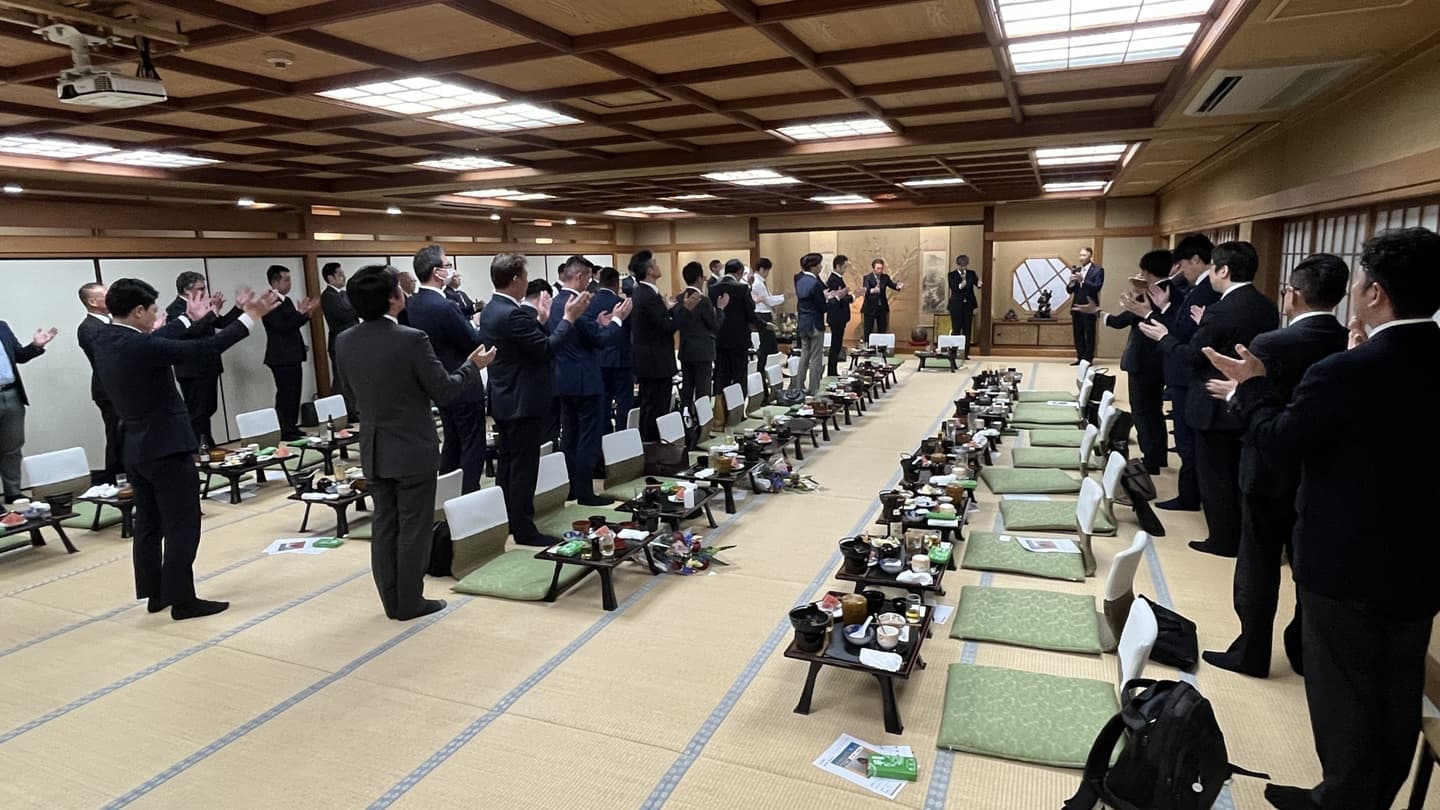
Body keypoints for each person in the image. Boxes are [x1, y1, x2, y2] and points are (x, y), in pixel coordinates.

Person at [1205, 227, 1440, 810]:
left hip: (1344, 555)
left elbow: (1281, 440)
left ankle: (1339, 798)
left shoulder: (1347, 370)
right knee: (1397, 689)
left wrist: (1252, 389)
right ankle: (1369, 795)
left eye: (1360, 280)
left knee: (1344, 695)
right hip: (1423, 559)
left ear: (1375, 293)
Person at [1200, 254, 1350, 679]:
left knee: (1259, 562)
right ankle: (1303, 650)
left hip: (1268, 466)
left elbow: (1259, 407)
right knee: (1305, 564)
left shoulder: (1271, 344)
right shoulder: (1349, 343)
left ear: (1294, 295)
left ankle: (1251, 652)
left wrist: (1238, 394)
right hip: (1319, 471)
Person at [94, 279, 278, 619]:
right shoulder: (139, 346)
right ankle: (183, 600)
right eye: (153, 310)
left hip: (135, 445)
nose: (156, 316)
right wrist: (250, 317)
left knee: (149, 523)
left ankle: (155, 593)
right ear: (138, 311)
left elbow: (157, 341)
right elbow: (205, 349)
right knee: (182, 523)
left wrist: (187, 319)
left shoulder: (105, 338)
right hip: (165, 445)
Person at [336, 266, 494, 620]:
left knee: (384, 526)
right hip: (412, 447)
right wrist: (473, 367)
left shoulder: (344, 340)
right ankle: (409, 602)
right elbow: (445, 390)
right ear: (393, 299)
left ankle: (391, 600)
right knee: (414, 527)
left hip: (373, 447)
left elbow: (349, 394)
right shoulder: (411, 339)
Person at [1140, 241, 1278, 558]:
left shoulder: (1221, 310)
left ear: (1223, 270)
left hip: (1214, 399)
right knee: (1237, 471)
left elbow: (1194, 355)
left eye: (1214, 268)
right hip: (1248, 397)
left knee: (1216, 475)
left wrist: (1164, 338)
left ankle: (1223, 539)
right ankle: (1242, 536)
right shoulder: (1265, 306)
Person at [478, 254, 588, 546]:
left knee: (508, 465)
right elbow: (546, 350)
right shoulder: (512, 314)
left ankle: (507, 519)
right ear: (516, 280)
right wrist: (568, 319)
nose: (526, 282)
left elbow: (525, 346)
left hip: (505, 398)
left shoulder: (491, 309)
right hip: (522, 401)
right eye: (525, 277)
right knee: (523, 468)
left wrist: (541, 321)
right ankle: (524, 529)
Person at [1074, 250, 1172, 474]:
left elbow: (1119, 321)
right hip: (1161, 360)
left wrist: (1096, 311)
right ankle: (1159, 456)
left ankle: (1151, 460)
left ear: (1146, 272)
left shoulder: (1151, 294)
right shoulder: (1173, 291)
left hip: (1143, 361)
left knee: (1142, 411)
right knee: (1154, 410)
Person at [406, 244, 488, 494]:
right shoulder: (444, 306)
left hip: (437, 381)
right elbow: (473, 341)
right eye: (448, 265)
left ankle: (446, 494)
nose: (451, 270)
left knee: (452, 440)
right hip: (463, 380)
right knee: (472, 444)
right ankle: (469, 495)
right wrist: (481, 325)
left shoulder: (413, 303)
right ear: (437, 272)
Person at [552, 256, 628, 503]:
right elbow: (600, 340)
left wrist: (598, 324)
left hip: (564, 379)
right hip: (585, 380)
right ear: (579, 276)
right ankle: (585, 491)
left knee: (569, 436)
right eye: (588, 277)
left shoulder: (555, 302)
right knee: (587, 438)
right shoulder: (576, 303)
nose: (590, 282)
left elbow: (580, 334)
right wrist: (617, 320)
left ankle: (571, 488)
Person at [1148, 234, 1213, 511]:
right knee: (1187, 440)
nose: (1181, 271)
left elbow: (1184, 331)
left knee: (1188, 441)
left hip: (1187, 373)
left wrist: (1162, 326)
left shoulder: (1205, 290)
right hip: (1184, 373)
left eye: (1183, 264)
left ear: (1196, 260)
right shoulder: (1198, 288)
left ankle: (1189, 497)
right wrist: (1164, 307)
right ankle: (1190, 494)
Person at [629, 250, 700, 441]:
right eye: (655, 263)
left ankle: (650, 445)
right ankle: (651, 447)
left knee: (651, 407)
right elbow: (667, 327)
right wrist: (684, 310)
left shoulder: (644, 292)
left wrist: (671, 309)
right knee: (655, 408)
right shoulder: (648, 295)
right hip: (655, 362)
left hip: (650, 361)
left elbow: (660, 321)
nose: (658, 266)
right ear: (649, 270)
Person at [166, 271, 241, 448]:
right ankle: (199, 447)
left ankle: (206, 443)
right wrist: (212, 311)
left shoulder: (202, 305)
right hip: (191, 369)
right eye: (200, 288)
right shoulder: (175, 309)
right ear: (187, 290)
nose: (205, 291)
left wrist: (238, 307)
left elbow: (221, 323)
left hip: (209, 364)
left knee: (209, 408)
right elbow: (192, 331)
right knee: (197, 412)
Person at [0, 318, 56, 503]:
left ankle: (13, 493)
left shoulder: (2, 326)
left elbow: (19, 355)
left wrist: (36, 346)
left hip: (11, 393)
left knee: (12, 447)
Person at [261, 265, 317, 442]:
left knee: (294, 393)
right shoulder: (269, 301)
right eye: (286, 279)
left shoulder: (286, 300)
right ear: (274, 282)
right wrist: (301, 314)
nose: (289, 283)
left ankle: (291, 426)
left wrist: (305, 315)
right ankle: (284, 430)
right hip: (281, 356)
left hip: (292, 354)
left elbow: (292, 323)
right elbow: (282, 327)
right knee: (285, 394)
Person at [76, 282, 121, 484]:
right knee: (116, 434)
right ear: (93, 302)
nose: (112, 298)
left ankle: (132, 474)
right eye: (107, 295)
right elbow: (106, 353)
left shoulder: (112, 322)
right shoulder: (88, 327)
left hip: (122, 386)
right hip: (107, 389)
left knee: (129, 433)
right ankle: (115, 479)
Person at [591, 268, 633, 433]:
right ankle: (622, 433)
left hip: (599, 359)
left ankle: (605, 435)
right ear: (617, 284)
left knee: (604, 399)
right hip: (621, 358)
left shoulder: (590, 303)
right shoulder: (623, 304)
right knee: (624, 400)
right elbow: (631, 330)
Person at [676, 262, 722, 406]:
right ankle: (702, 418)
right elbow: (714, 325)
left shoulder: (679, 298)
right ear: (699, 279)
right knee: (703, 392)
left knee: (687, 390)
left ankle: (686, 416)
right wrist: (720, 310)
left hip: (685, 350)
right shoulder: (703, 300)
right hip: (703, 351)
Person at [711, 258, 759, 393]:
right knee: (739, 376)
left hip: (719, 339)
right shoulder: (742, 288)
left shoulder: (713, 288)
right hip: (739, 339)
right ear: (740, 272)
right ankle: (738, 404)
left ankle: (720, 404)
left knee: (721, 375)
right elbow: (750, 310)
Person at [319, 262, 358, 418]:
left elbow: (356, 312)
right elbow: (344, 315)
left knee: (353, 378)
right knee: (341, 380)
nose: (344, 277)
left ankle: (353, 410)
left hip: (353, 340)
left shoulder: (345, 294)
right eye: (340, 274)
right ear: (330, 278)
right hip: (339, 342)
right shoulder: (328, 296)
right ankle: (339, 414)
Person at [791, 253, 828, 396]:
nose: (821, 267)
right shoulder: (815, 283)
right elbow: (822, 307)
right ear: (813, 267)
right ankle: (814, 389)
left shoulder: (799, 280)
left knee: (804, 356)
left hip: (803, 323)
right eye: (819, 265)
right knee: (815, 359)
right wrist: (831, 299)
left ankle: (799, 387)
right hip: (815, 324)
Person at [1066, 246, 1105, 365]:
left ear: (1090, 256)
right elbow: (1069, 290)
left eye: (1084, 255)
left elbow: (1097, 287)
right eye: (1080, 255)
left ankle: (1088, 359)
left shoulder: (1098, 270)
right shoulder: (1077, 270)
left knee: (1089, 333)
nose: (1081, 258)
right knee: (1078, 334)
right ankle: (1080, 357)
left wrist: (1083, 280)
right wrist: (1071, 282)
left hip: (1089, 306)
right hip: (1076, 306)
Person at [751, 258, 784, 372]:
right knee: (767, 344)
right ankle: (762, 370)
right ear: (761, 269)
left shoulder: (761, 282)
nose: (768, 273)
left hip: (765, 313)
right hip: (762, 315)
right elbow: (768, 301)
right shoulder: (757, 283)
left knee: (769, 345)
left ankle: (770, 370)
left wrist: (780, 297)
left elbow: (768, 297)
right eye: (767, 270)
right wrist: (784, 298)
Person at [825, 256, 854, 376]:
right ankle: (832, 371)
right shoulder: (833, 280)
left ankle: (833, 370)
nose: (845, 270)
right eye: (844, 267)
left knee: (837, 344)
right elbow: (837, 299)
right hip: (836, 317)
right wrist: (852, 297)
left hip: (839, 317)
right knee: (835, 345)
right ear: (838, 266)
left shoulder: (838, 279)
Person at [861, 257, 903, 340]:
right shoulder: (867, 277)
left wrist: (898, 287)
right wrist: (873, 290)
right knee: (868, 329)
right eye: (878, 268)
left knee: (882, 329)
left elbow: (893, 285)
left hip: (882, 307)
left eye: (881, 268)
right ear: (873, 268)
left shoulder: (885, 277)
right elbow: (865, 290)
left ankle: (881, 346)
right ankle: (868, 346)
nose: (880, 270)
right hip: (870, 307)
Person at [946, 254, 980, 351]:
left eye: (965, 265)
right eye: (961, 266)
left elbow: (977, 284)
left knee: (967, 329)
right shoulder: (952, 275)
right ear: (958, 265)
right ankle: (954, 351)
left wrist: (979, 284)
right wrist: (961, 285)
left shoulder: (971, 273)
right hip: (956, 305)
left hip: (968, 305)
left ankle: (965, 352)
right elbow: (953, 288)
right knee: (956, 328)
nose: (963, 268)